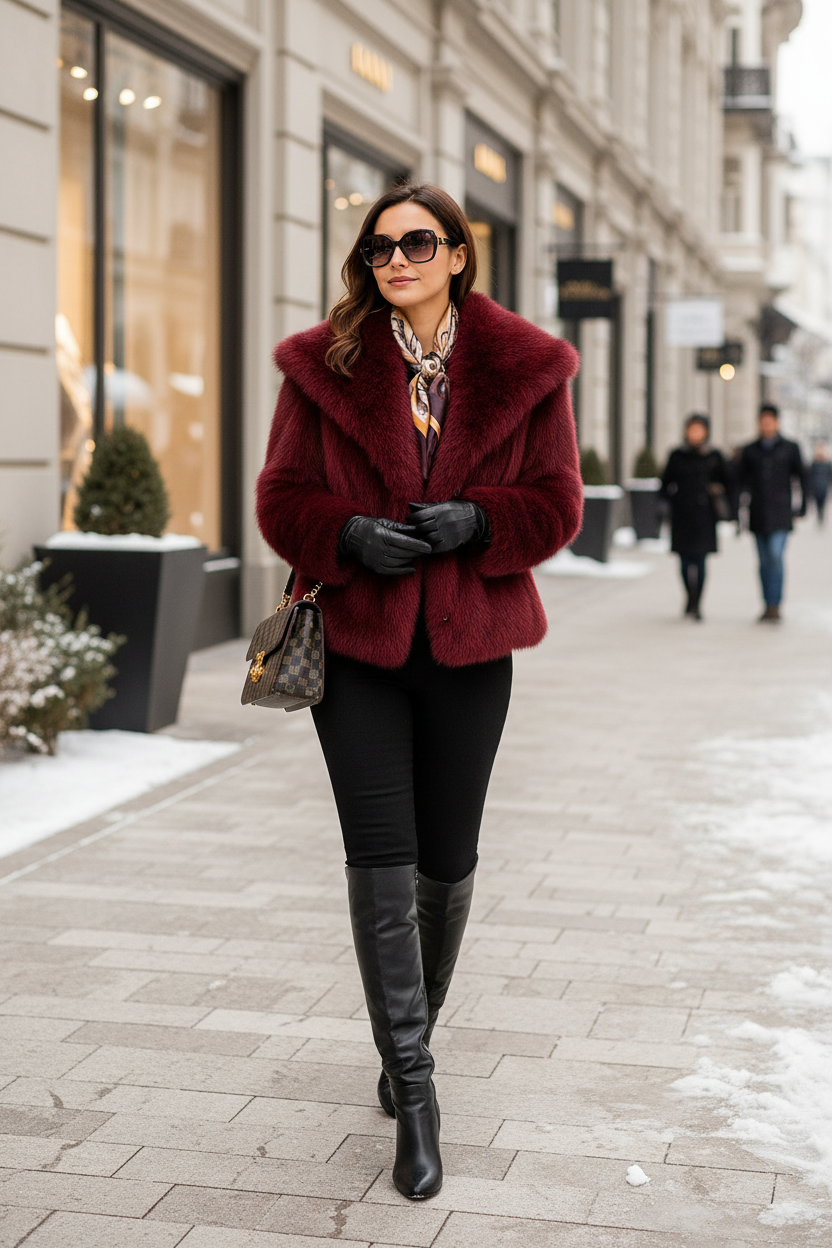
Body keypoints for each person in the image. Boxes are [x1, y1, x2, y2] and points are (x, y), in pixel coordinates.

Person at [255, 183, 582, 1200]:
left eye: (416, 242)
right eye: (378, 247)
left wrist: (479, 522)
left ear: (456, 255)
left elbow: (558, 502)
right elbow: (279, 496)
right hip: (355, 648)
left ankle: (410, 1043)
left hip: (471, 651)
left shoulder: (528, 368)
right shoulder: (325, 366)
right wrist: (344, 536)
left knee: (446, 862)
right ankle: (417, 1088)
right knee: (381, 862)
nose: (394, 259)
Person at [660, 414, 733, 620]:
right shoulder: (677, 455)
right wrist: (664, 504)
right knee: (684, 563)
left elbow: (730, 482)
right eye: (692, 429)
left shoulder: (714, 456)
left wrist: (720, 493)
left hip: (705, 517)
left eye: (699, 429)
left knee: (700, 562)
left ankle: (697, 603)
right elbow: (665, 484)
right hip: (682, 515)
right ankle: (689, 597)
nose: (695, 433)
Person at [739, 404, 807, 622]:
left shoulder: (790, 448)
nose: (766, 425)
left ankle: (775, 604)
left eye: (770, 421)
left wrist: (804, 504)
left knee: (776, 557)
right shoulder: (750, 450)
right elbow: (740, 481)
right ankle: (767, 604)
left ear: (777, 422)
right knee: (763, 561)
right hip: (758, 513)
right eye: (763, 421)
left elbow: (803, 477)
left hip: (780, 514)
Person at [809, 445, 831, 525]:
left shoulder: (827, 464)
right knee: (817, 503)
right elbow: (810, 475)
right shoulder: (814, 464)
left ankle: (822, 515)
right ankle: (819, 515)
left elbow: (830, 476)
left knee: (823, 503)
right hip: (815, 487)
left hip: (824, 487)